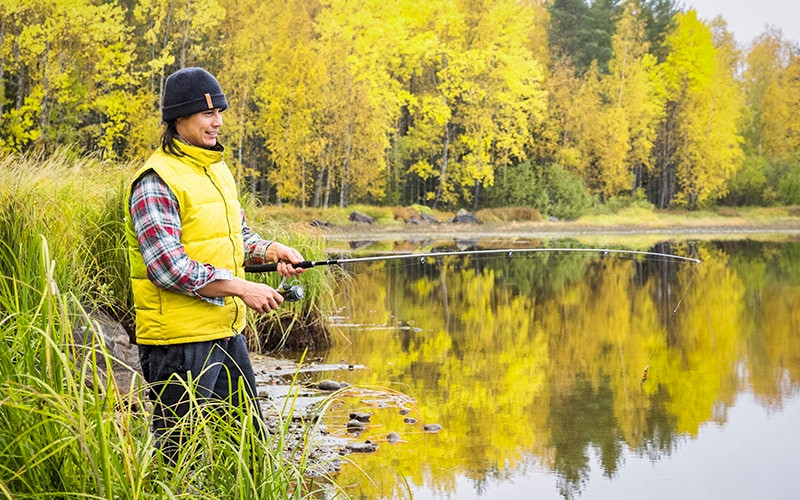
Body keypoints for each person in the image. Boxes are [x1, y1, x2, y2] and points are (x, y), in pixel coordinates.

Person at [124, 66, 304, 461]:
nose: (218, 122)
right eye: (208, 114)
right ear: (179, 119)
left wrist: (276, 252)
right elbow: (168, 267)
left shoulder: (217, 171)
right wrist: (242, 287)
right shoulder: (155, 179)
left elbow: (237, 240)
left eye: (220, 112)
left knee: (248, 456)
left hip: (226, 334)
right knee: (179, 462)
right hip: (177, 344)